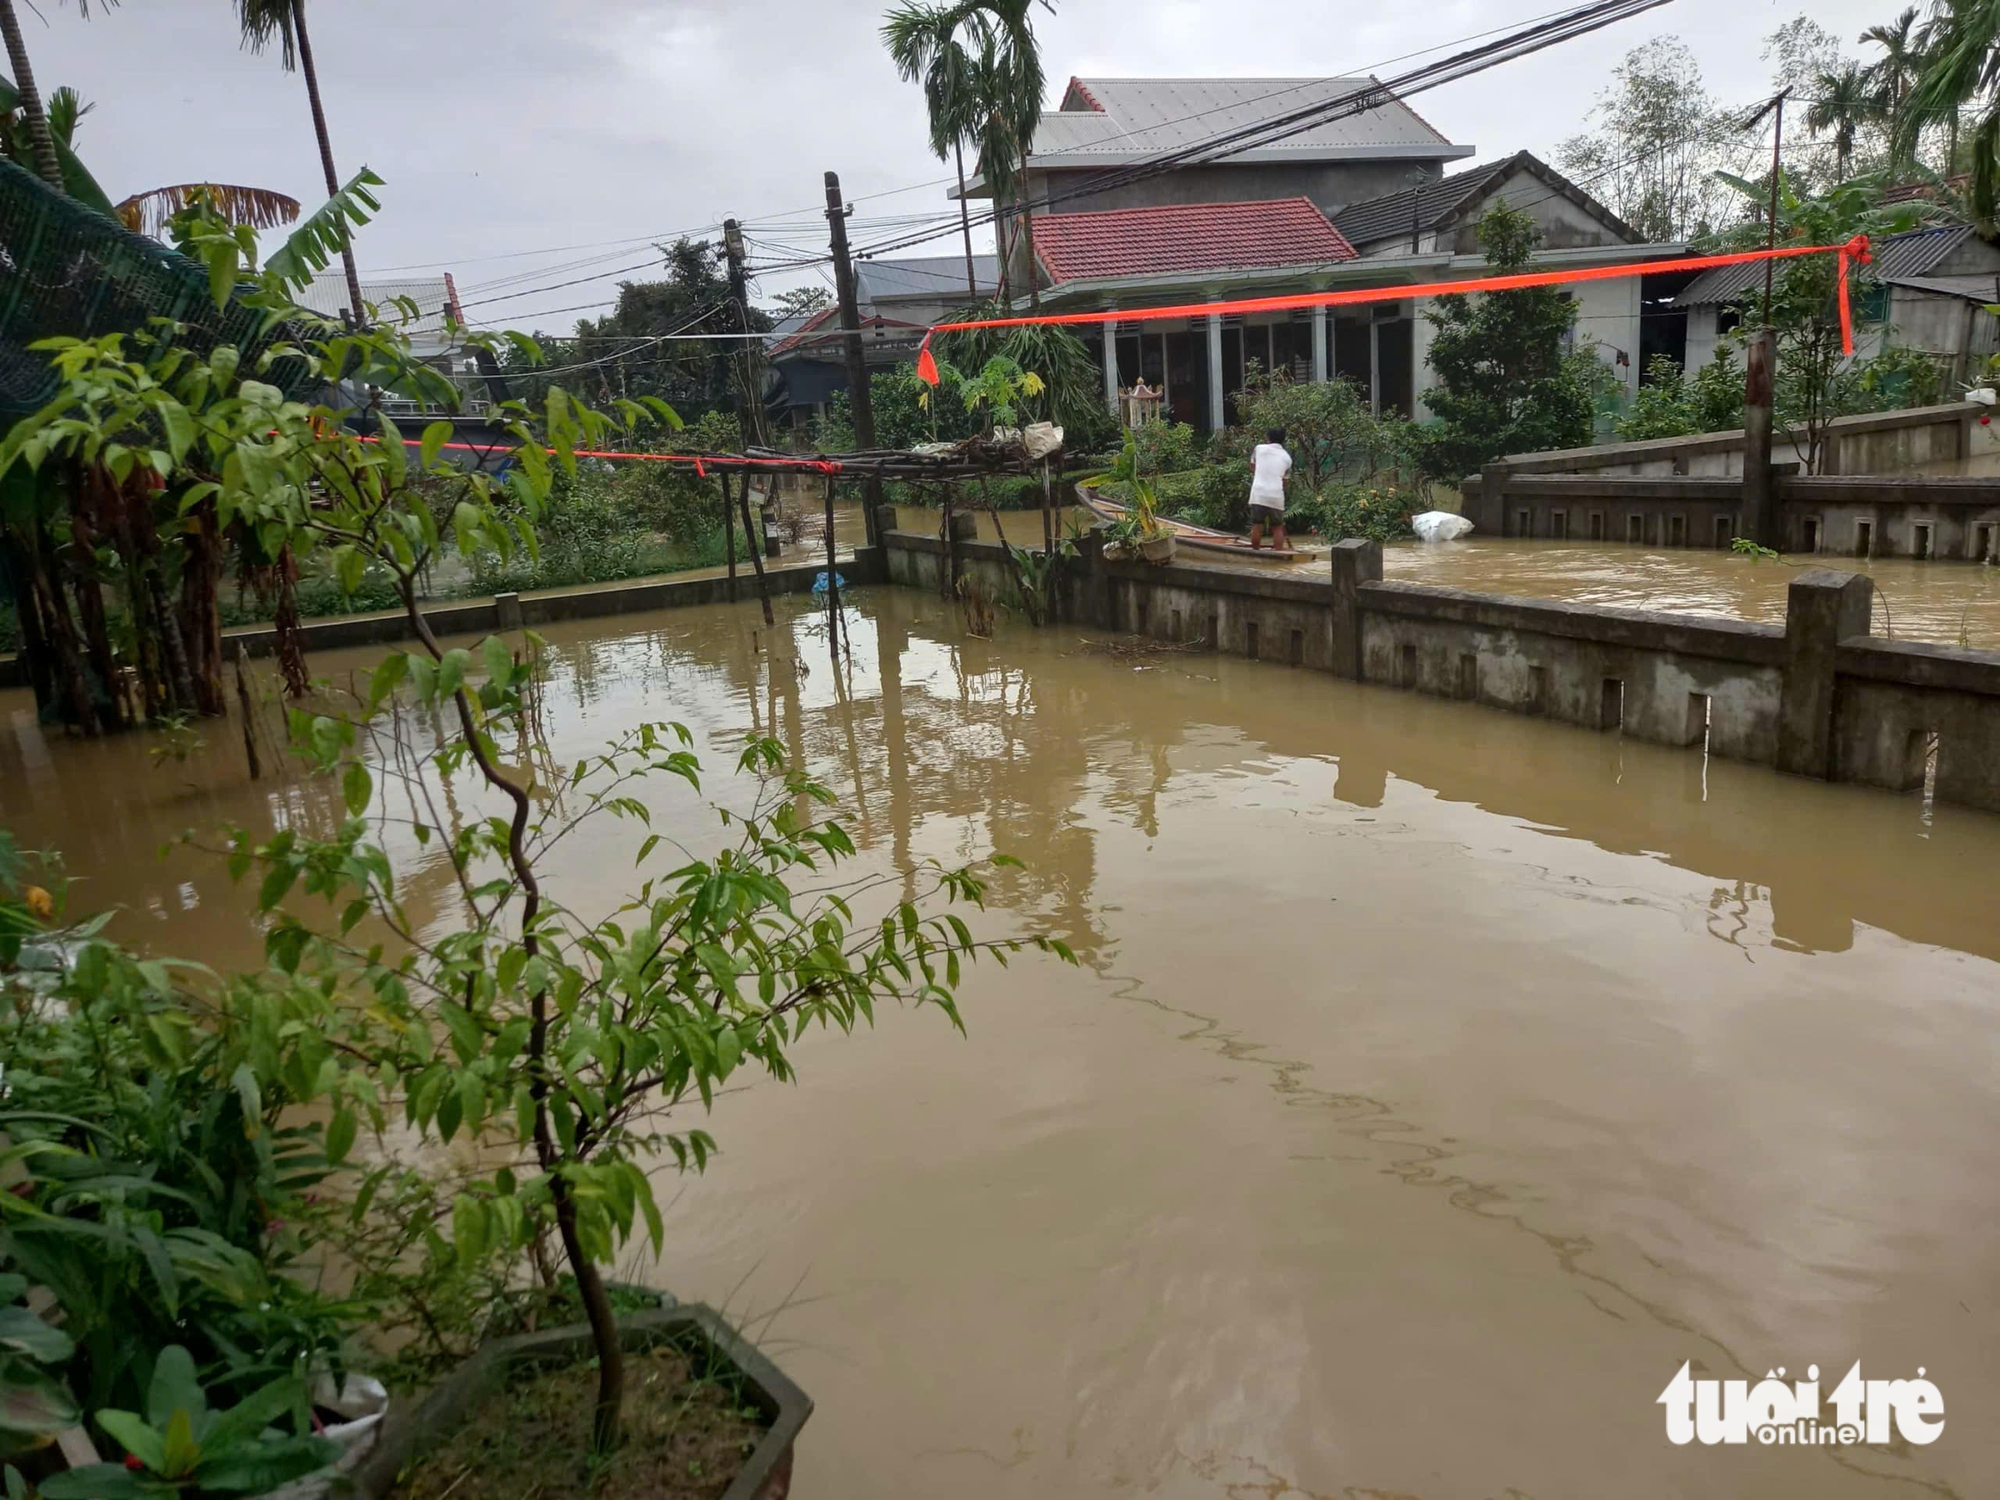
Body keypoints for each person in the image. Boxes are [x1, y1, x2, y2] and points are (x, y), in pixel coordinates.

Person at [1248, 426, 1292, 551]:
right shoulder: (1287, 458)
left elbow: (1252, 466)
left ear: (1268, 438)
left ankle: (1255, 552)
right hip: (1276, 495)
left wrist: (1262, 473)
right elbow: (1284, 481)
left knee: (1257, 525)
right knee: (1277, 527)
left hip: (1259, 493)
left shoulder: (1259, 449)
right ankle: (1278, 553)